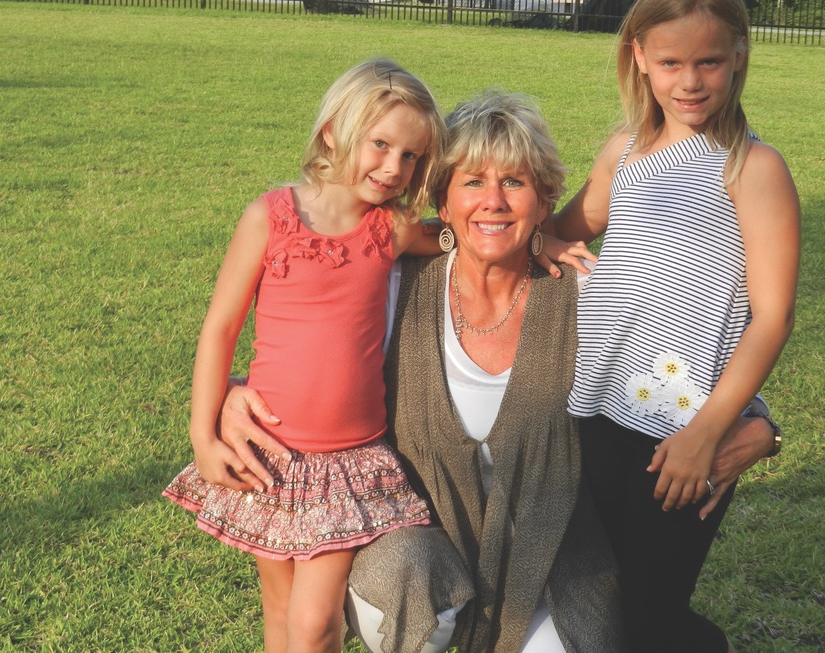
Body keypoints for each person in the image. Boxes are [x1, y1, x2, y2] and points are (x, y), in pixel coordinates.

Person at [218, 90, 779, 653]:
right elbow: (316, 355)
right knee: (399, 586)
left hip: (549, 557)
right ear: (442, 196)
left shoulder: (582, 293)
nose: (493, 202)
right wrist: (234, 395)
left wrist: (757, 423)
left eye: (514, 182)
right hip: (424, 541)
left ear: (543, 200)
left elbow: (665, 374)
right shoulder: (396, 286)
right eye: (472, 182)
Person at [553, 0, 800, 652]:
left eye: (709, 61)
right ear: (638, 56)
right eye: (670, 62)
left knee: (653, 615)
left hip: (682, 436)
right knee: (600, 601)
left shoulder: (752, 168)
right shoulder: (622, 154)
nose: (690, 81)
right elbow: (560, 230)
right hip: (593, 414)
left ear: (739, 57)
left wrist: (709, 433)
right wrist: (550, 247)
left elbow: (773, 318)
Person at [162, 57, 448, 653]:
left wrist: (542, 233)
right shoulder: (269, 218)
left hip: (350, 463)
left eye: (411, 155)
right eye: (380, 144)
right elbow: (219, 329)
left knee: (316, 623)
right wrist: (203, 436)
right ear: (332, 131)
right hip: (272, 457)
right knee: (280, 608)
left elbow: (465, 234)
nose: (394, 166)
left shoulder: (389, 230)